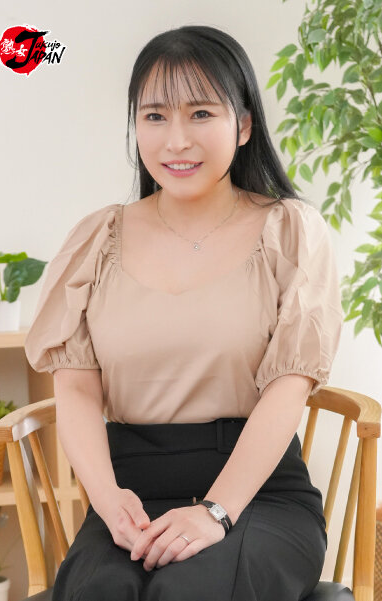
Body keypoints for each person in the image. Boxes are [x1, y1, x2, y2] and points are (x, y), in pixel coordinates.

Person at [24, 24, 344, 601]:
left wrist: (216, 511)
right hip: (130, 495)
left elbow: (290, 387)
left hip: (258, 494)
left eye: (200, 114)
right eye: (154, 116)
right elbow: (74, 389)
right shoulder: (96, 239)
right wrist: (107, 500)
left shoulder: (290, 231)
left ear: (243, 125)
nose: (176, 141)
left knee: (187, 591)